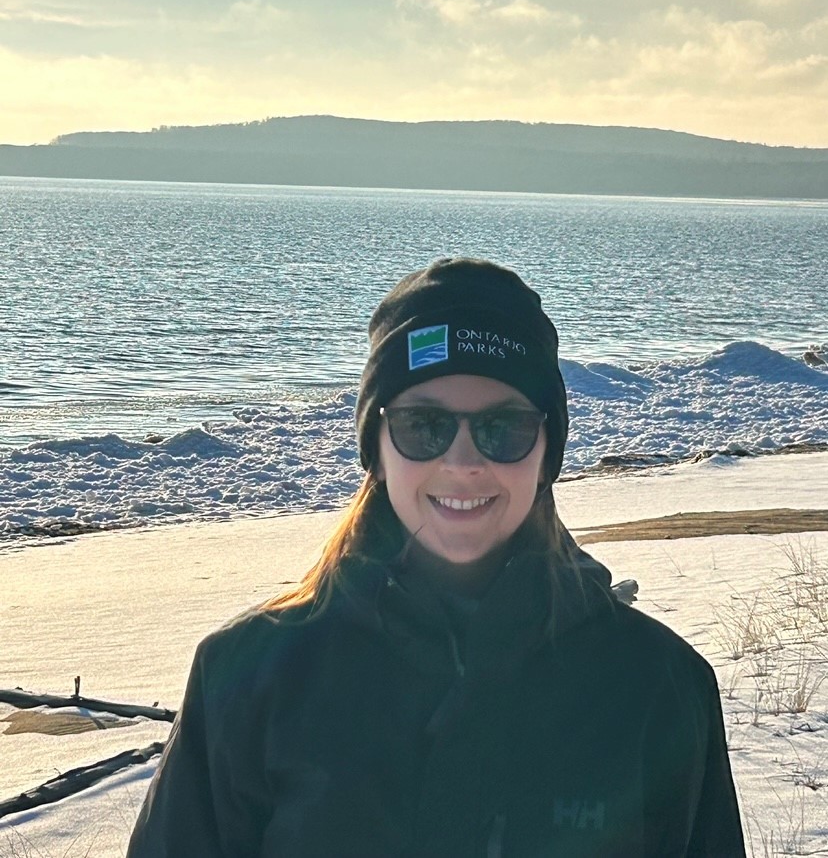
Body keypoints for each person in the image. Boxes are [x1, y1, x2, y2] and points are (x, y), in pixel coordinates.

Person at [127, 257, 745, 857]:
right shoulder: (248, 676)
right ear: (377, 445)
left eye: (504, 428)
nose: (463, 462)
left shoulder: (656, 685)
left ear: (547, 450)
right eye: (424, 426)